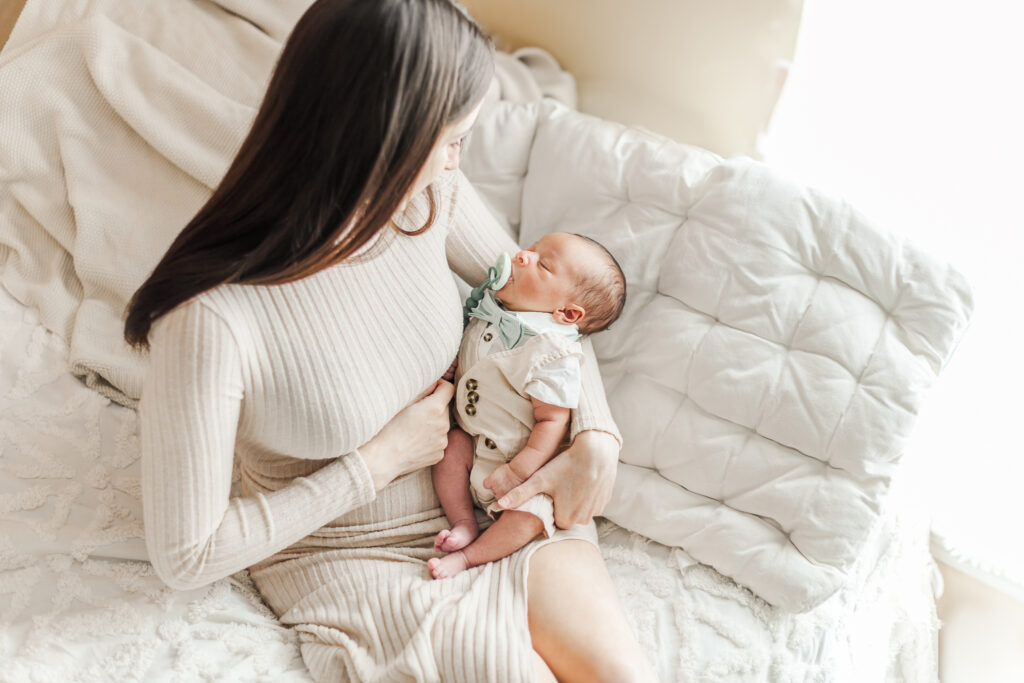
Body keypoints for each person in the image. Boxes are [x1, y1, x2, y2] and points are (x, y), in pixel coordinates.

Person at [124, 0, 655, 680]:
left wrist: (596, 438)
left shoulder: (427, 199)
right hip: (350, 552)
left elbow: (553, 309)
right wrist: (376, 463)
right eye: (454, 137)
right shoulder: (210, 320)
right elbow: (186, 553)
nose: (459, 159)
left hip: (493, 499)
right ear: (385, 138)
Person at [429, 233, 627, 579]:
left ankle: (468, 557)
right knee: (449, 450)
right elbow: (466, 354)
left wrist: (520, 471)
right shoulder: (490, 310)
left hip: (524, 471)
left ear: (566, 313)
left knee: (531, 515)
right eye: (531, 250)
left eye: (543, 263)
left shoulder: (551, 354)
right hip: (473, 447)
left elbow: (552, 421)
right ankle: (463, 521)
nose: (521, 257)